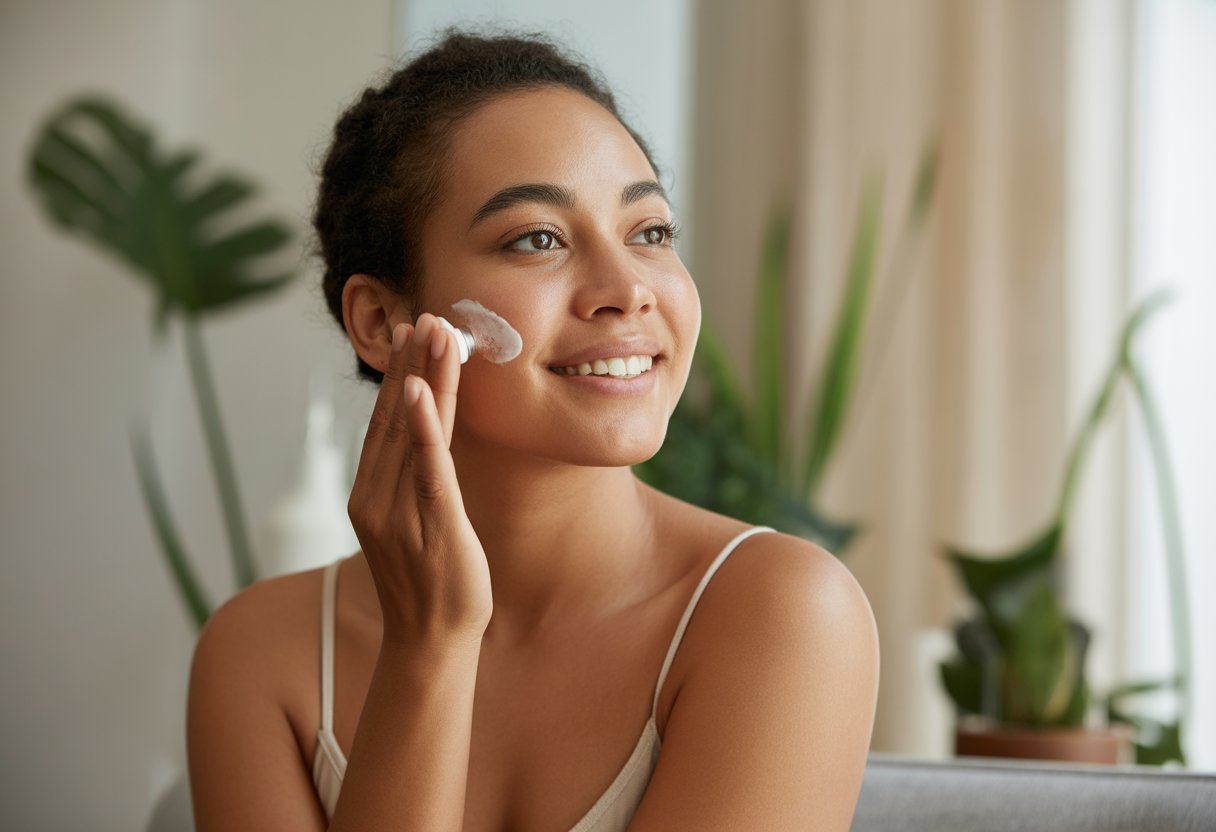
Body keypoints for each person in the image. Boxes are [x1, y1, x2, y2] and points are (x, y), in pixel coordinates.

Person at [186, 29, 878, 831]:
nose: (627, 289)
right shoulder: (259, 659)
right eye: (537, 239)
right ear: (381, 320)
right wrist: (430, 648)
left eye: (649, 231)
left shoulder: (780, 613)